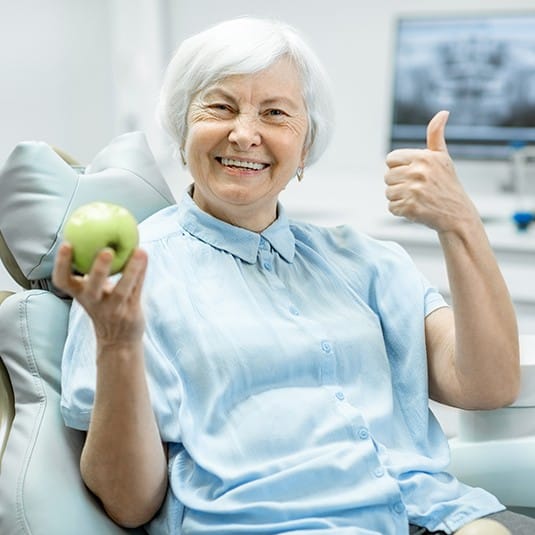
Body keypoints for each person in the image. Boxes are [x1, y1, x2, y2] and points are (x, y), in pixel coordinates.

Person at [52, 17, 533, 535]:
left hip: (433, 513)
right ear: (182, 125)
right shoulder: (128, 281)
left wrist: (460, 222)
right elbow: (130, 504)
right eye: (220, 106)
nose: (244, 134)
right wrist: (118, 343)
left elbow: (488, 385)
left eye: (275, 113)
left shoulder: (365, 262)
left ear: (305, 148)